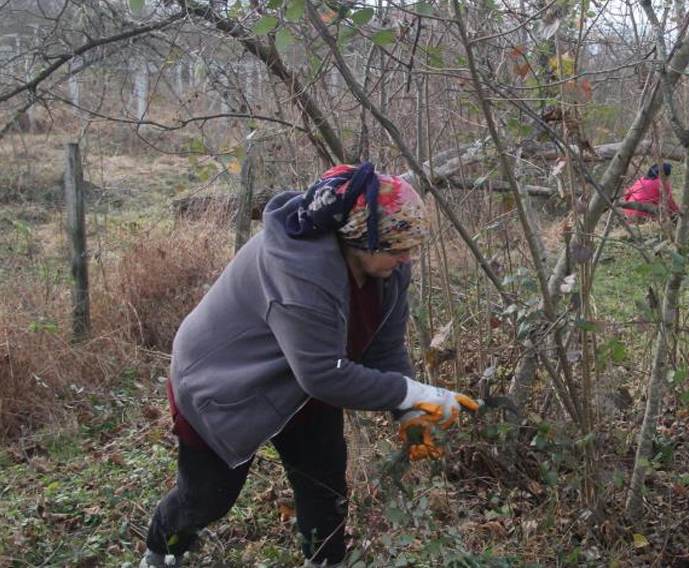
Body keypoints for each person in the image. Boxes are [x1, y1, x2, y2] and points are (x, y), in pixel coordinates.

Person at [139, 162, 479, 568]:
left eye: (411, 248)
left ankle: (325, 562)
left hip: (306, 377)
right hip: (224, 382)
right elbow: (322, 375)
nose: (407, 259)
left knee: (325, 485)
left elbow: (384, 349)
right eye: (398, 248)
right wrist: (419, 393)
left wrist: (407, 408)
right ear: (362, 239)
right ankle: (160, 552)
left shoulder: (388, 270)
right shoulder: (300, 270)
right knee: (207, 497)